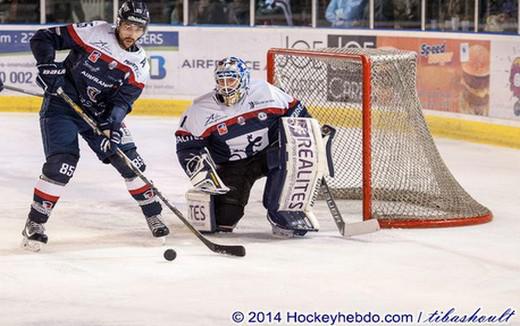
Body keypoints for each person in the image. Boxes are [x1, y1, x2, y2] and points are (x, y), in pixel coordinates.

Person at [22, 0, 169, 251]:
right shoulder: (95, 31)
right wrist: (46, 65)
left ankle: (153, 213)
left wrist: (111, 127)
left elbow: (123, 102)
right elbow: (43, 38)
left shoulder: (140, 65)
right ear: (118, 23)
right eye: (128, 27)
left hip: (100, 116)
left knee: (130, 162)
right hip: (62, 106)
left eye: (138, 29)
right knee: (62, 164)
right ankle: (34, 224)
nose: (131, 34)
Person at [175, 56, 325, 237]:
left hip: (269, 154)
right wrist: (200, 169)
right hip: (233, 165)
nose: (226, 86)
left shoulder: (266, 93)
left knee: (288, 159)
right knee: (224, 219)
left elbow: (297, 113)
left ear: (244, 79)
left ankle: (285, 213)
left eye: (231, 80)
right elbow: (187, 145)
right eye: (221, 81)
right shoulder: (201, 110)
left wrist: (310, 142)